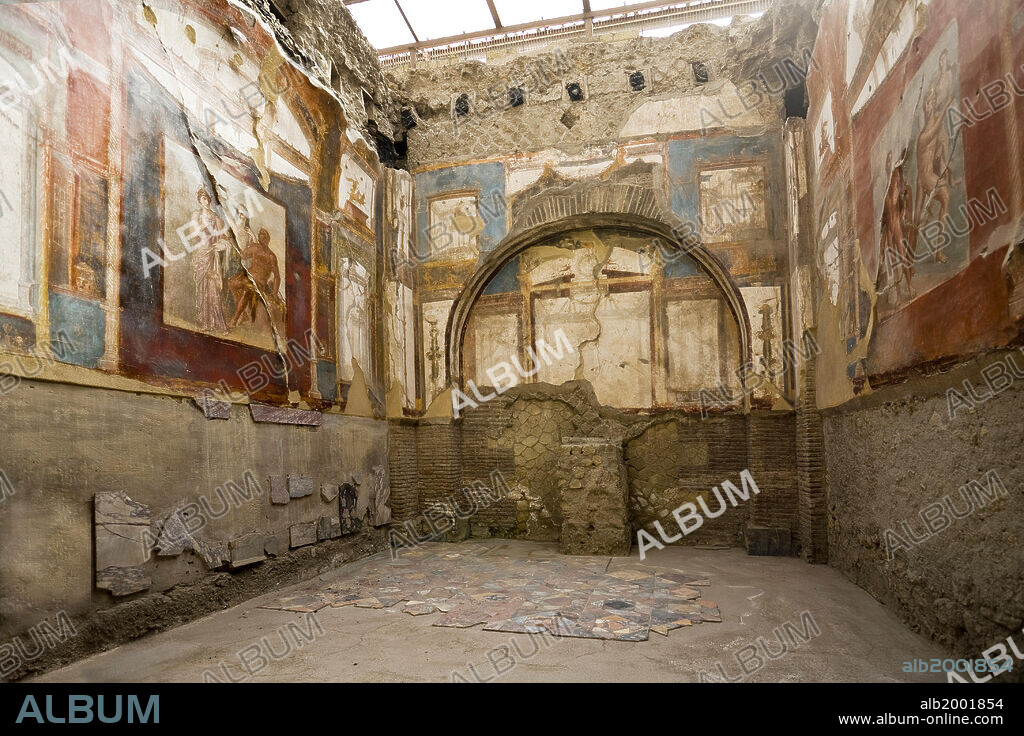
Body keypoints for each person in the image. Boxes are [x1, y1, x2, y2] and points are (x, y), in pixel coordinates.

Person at [188, 188, 229, 333]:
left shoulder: (217, 218)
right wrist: (204, 226)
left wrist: (222, 245)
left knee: (213, 287)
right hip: (200, 253)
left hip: (212, 253)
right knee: (202, 287)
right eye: (202, 198)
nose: (204, 200)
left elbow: (224, 237)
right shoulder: (196, 215)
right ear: (199, 200)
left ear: (209, 200)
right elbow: (193, 233)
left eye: (206, 198)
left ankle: (218, 323)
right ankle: (205, 322)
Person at [227, 227, 281, 330]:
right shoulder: (255, 247)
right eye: (261, 236)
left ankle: (234, 320)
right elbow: (243, 255)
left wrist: (275, 293)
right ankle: (243, 314)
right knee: (231, 283)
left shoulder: (271, 256)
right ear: (259, 239)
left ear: (268, 239)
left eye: (265, 236)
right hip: (247, 276)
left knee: (246, 291)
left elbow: (277, 276)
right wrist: (233, 241)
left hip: (259, 282)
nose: (263, 238)